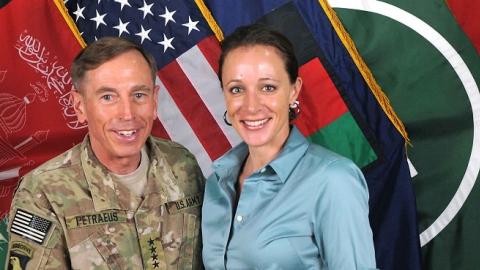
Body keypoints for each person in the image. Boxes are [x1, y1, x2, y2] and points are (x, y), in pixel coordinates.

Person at [5, 37, 204, 269]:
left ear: (154, 100)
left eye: (139, 95)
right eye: (108, 97)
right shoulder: (43, 192)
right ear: (80, 107)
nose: (127, 113)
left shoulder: (182, 165)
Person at [201, 24, 377, 269]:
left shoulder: (333, 181)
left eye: (268, 87)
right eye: (237, 89)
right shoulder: (216, 184)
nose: (251, 106)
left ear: (294, 91)